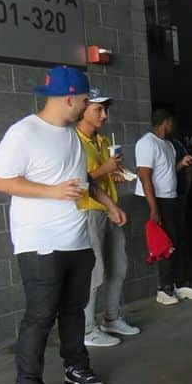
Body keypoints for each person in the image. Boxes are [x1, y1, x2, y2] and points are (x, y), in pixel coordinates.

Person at [0, 66, 128, 384]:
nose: (86, 106)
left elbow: (80, 180)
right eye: (84, 100)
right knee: (40, 315)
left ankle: (76, 370)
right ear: (69, 98)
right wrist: (51, 191)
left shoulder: (70, 136)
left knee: (74, 311)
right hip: (39, 243)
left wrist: (110, 204)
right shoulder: (23, 133)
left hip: (77, 239)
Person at [75, 87, 140, 348]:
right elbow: (79, 181)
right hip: (89, 211)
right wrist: (105, 169)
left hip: (110, 208)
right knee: (94, 271)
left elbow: (99, 176)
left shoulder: (101, 141)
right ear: (83, 110)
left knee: (118, 265)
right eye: (98, 109)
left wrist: (113, 173)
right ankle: (87, 329)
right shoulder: (74, 142)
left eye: (105, 109)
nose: (104, 115)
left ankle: (111, 318)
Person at [136, 108, 192, 305]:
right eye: (172, 123)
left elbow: (166, 171)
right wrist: (153, 208)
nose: (173, 127)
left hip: (171, 198)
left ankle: (180, 284)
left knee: (178, 241)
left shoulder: (168, 145)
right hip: (157, 200)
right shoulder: (147, 143)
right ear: (166, 122)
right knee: (165, 245)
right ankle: (164, 289)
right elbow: (144, 176)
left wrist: (181, 164)